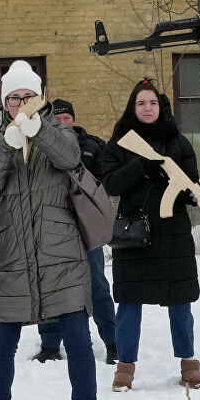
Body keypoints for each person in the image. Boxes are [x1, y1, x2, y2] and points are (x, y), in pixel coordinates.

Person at [0, 61, 98, 400]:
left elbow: (70, 158)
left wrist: (39, 130)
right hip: (13, 258)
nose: (21, 103)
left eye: (28, 96)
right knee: (1, 345)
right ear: (4, 104)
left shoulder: (59, 130)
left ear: (40, 99)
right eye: (14, 98)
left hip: (62, 256)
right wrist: (7, 145)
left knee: (78, 342)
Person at [95, 81, 200, 391]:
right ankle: (125, 368)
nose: (148, 108)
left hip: (173, 234)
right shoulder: (119, 143)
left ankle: (189, 366)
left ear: (161, 107)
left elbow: (192, 184)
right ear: (133, 107)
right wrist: (141, 167)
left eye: (153, 103)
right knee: (129, 302)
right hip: (135, 234)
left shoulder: (178, 143)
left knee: (180, 300)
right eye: (142, 103)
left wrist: (185, 189)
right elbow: (110, 184)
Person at [35, 98, 119, 365]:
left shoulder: (92, 146)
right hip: (52, 228)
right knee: (51, 286)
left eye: (66, 118)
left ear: (73, 119)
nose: (62, 123)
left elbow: (106, 182)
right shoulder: (39, 146)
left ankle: (113, 343)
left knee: (97, 286)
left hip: (86, 228)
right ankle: (50, 345)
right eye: (57, 119)